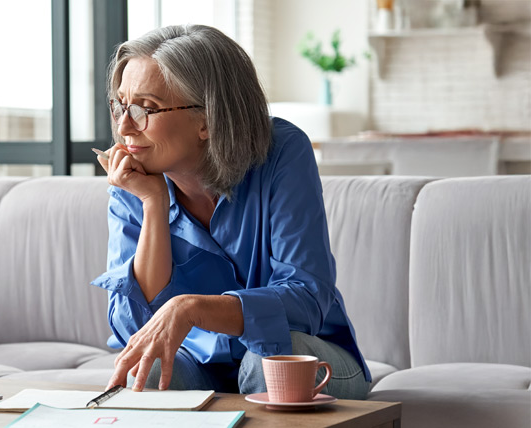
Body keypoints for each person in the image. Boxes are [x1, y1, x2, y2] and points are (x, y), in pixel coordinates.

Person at [90, 24, 371, 399]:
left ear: (207, 119)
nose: (124, 126)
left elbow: (306, 299)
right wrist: (153, 205)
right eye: (120, 105)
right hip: (200, 364)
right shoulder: (134, 179)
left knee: (266, 361)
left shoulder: (282, 152)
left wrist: (192, 309)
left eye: (146, 108)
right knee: (150, 368)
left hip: (307, 355)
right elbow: (134, 329)